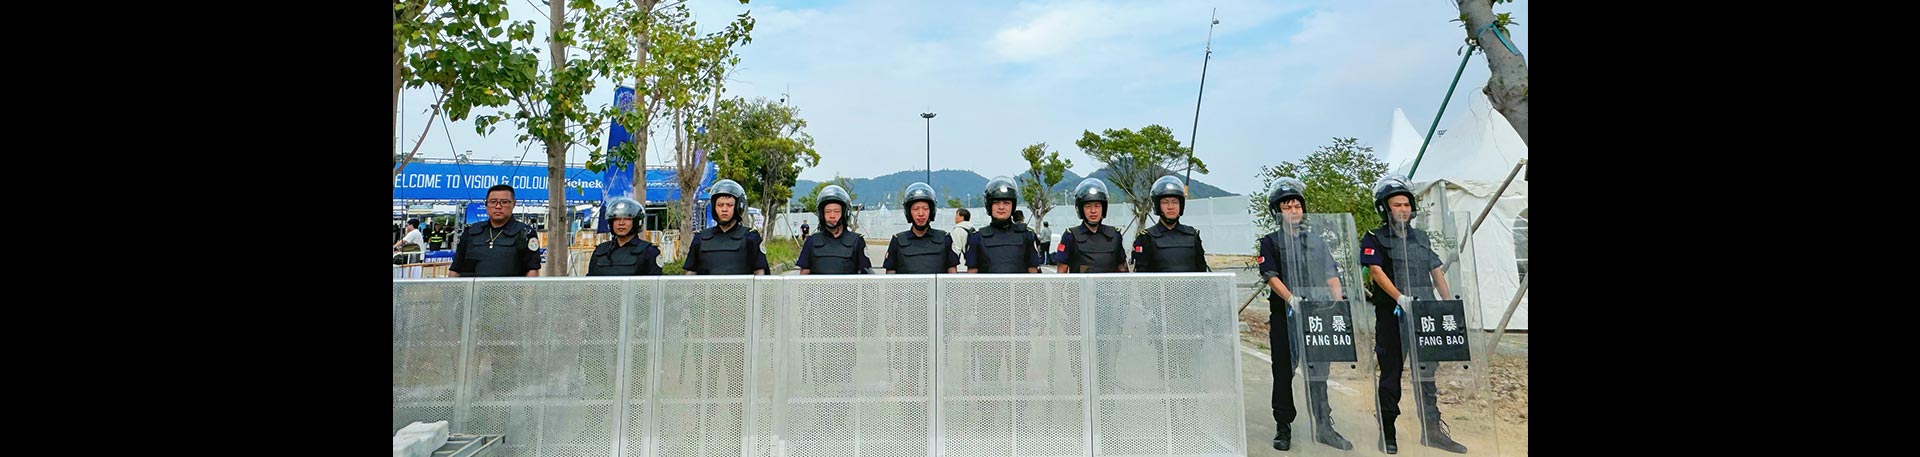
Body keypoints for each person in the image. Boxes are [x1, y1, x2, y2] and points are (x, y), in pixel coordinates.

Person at [1360, 175, 1465, 454]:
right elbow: (1376, 271)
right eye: (1397, 205)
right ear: (1385, 208)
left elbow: (1436, 271)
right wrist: (1400, 297)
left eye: (1407, 204)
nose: (1403, 209)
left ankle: (1432, 431)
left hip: (1424, 315)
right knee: (1391, 374)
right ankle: (1388, 432)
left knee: (1427, 375)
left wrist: (1449, 304)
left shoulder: (1421, 238)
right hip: (1392, 315)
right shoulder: (1374, 238)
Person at [1256, 177, 1351, 451]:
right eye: (1287, 207)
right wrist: (1290, 299)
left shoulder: (1316, 241)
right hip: (1285, 316)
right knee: (1283, 372)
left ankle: (1323, 426)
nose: (1293, 211)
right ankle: (1283, 427)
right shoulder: (1270, 242)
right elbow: (1270, 275)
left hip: (1317, 315)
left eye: (1297, 206)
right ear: (1277, 212)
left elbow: (1331, 274)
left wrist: (1339, 304)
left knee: (1319, 372)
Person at [450, 185, 542, 277]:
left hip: (509, 286)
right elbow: (455, 269)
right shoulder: (471, 232)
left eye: (504, 202)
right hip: (472, 286)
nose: (498, 206)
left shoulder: (525, 233)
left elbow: (532, 270)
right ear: (486, 204)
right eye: (493, 202)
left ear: (514, 204)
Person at [683, 179, 769, 275]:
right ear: (714, 207)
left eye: (729, 205)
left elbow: (760, 275)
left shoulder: (751, 238)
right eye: (720, 205)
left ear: (738, 206)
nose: (724, 209)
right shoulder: (700, 238)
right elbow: (690, 276)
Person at [965, 176, 1042, 274]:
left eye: (1006, 203)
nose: (1001, 207)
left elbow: (1033, 272)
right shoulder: (976, 238)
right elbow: (971, 275)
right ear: (989, 205)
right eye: (996, 203)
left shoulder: (1027, 235)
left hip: (1019, 284)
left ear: (1013, 206)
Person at [1131, 175, 1208, 272]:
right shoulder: (1146, 238)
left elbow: (1202, 272)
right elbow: (1141, 276)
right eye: (1165, 202)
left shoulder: (1193, 235)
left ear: (1181, 205)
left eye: (1175, 202)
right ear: (1157, 206)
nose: (1170, 207)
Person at [883, 182, 960, 274]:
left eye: (925, 209)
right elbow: (890, 276)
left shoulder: (945, 238)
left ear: (931, 211)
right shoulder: (897, 240)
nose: (921, 214)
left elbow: (952, 274)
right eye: (915, 209)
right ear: (909, 212)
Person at [1053, 178, 1126, 273]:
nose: (1093, 211)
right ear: (1081, 209)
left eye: (1097, 206)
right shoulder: (1070, 236)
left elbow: (1123, 270)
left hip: (1109, 283)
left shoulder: (1115, 235)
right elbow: (1061, 272)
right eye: (1088, 206)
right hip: (1080, 283)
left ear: (1103, 208)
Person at [797, 185, 873, 274]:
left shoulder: (857, 241)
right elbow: (804, 275)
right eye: (828, 212)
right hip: (818, 284)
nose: (832, 216)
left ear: (845, 213)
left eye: (836, 211)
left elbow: (866, 275)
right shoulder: (811, 241)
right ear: (821, 214)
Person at [586, 196, 663, 276]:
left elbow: (655, 282)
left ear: (636, 222)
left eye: (627, 219)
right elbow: (589, 281)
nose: (621, 223)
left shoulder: (649, 251)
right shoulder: (600, 251)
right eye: (616, 219)